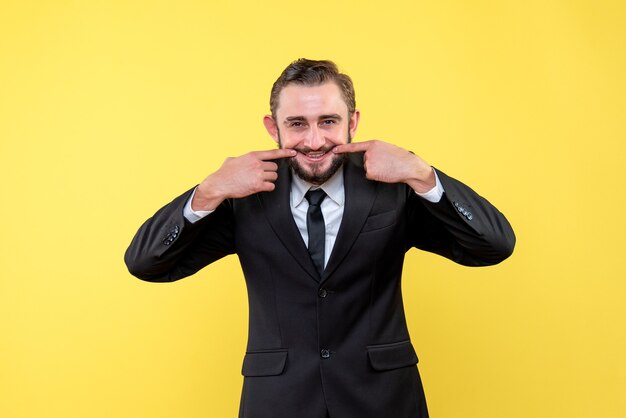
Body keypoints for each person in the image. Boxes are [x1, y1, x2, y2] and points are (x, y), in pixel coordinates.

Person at [125, 58, 515, 418]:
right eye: (297, 124)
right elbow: (146, 263)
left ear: (353, 122)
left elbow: (493, 244)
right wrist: (208, 191)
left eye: (328, 121)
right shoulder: (243, 194)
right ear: (272, 127)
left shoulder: (392, 186)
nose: (314, 142)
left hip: (384, 399)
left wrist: (422, 174)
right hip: (278, 402)